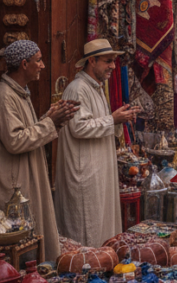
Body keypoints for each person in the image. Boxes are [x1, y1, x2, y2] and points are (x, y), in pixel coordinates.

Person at [0, 40, 78, 261]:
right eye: (38, 60)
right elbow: (15, 141)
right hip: (14, 182)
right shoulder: (4, 96)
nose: (43, 65)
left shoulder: (19, 94)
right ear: (24, 64)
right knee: (20, 242)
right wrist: (50, 123)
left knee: (34, 236)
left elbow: (26, 132)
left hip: (25, 174)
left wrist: (52, 119)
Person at [55, 40, 140, 247]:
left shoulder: (96, 88)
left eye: (114, 61)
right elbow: (79, 127)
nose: (113, 66)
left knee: (100, 225)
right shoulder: (77, 89)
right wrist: (113, 120)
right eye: (108, 61)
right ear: (91, 61)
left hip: (97, 171)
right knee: (86, 228)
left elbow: (101, 123)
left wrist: (121, 119)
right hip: (84, 173)